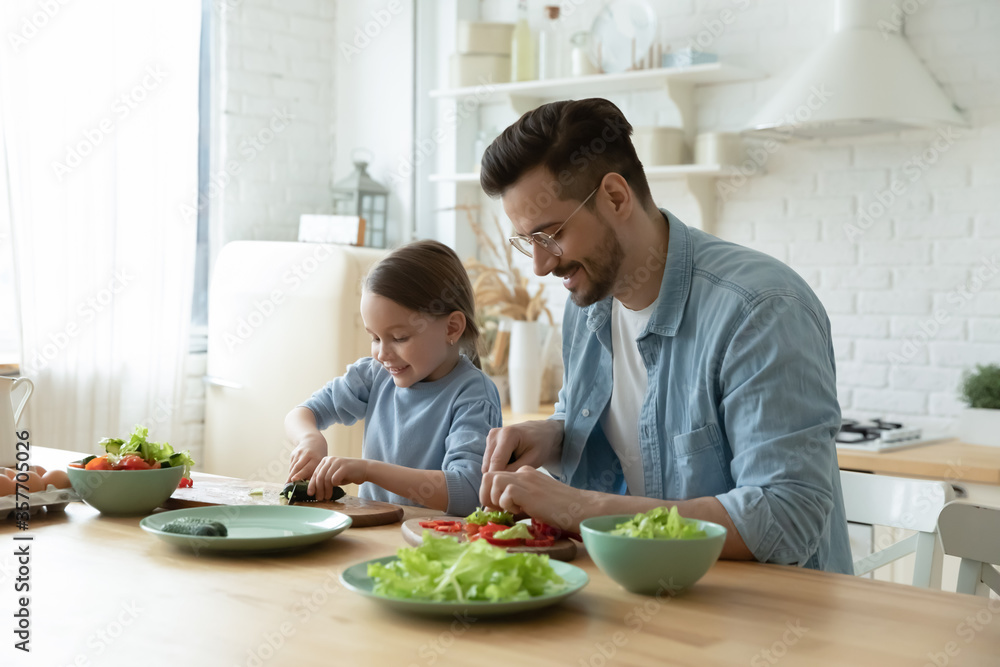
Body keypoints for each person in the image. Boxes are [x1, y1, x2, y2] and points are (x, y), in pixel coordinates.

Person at [477, 98, 852, 574]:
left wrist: (575, 506)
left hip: (773, 623)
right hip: (653, 597)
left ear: (615, 197)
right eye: (528, 241)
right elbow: (616, 423)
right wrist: (554, 435)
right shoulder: (590, 301)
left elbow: (785, 518)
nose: (541, 264)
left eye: (550, 235)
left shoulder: (761, 309)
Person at [285, 240, 501, 516]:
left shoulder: (473, 396)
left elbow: (468, 492)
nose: (381, 353)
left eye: (399, 337)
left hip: (436, 543)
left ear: (452, 327)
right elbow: (301, 414)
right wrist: (309, 440)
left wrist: (367, 470)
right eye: (374, 337)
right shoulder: (374, 375)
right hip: (377, 534)